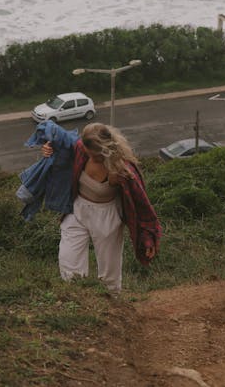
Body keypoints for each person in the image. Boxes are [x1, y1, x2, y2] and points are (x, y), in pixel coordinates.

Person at [41, 122, 161, 293]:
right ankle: (77, 302)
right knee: (69, 263)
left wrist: (148, 237)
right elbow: (59, 144)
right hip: (77, 211)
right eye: (89, 155)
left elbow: (141, 204)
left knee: (109, 274)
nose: (93, 159)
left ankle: (113, 307)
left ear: (107, 150)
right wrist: (48, 149)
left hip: (107, 217)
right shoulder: (80, 148)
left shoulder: (121, 169)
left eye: (97, 157)